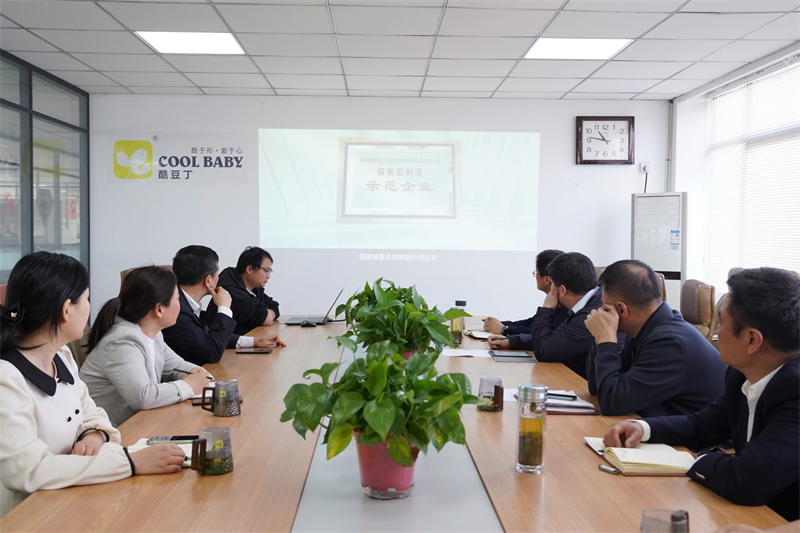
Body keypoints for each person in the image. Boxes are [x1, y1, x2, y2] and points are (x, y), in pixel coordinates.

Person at [603, 268, 799, 522]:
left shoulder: (794, 391)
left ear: (752, 340)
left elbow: (747, 481)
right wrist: (642, 428)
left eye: (722, 324)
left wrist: (697, 459)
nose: (716, 332)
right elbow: (702, 425)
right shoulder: (742, 373)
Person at [0, 252, 185, 518]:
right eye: (86, 299)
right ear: (67, 310)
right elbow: (28, 470)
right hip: (31, 515)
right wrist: (130, 462)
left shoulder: (61, 356)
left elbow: (93, 412)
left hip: (71, 497)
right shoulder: (7, 377)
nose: (90, 306)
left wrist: (93, 434)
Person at [585, 259, 727, 417]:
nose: (600, 312)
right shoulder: (645, 328)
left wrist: (605, 340)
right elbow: (597, 388)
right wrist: (600, 339)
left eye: (604, 307)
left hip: (697, 433)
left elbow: (612, 402)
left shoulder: (670, 344)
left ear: (622, 309)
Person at [80, 266, 212, 427]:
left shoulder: (153, 333)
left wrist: (199, 374)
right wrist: (188, 386)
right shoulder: (122, 341)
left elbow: (175, 367)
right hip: (109, 431)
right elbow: (143, 397)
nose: (181, 306)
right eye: (178, 299)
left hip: (141, 423)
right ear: (159, 309)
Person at [488, 252, 611, 378]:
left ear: (562, 290)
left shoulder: (591, 314)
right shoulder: (591, 302)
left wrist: (547, 307)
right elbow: (557, 338)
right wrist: (514, 341)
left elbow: (544, 351)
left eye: (552, 285)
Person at [162, 245, 285, 366]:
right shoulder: (177, 311)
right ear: (208, 280)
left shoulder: (184, 303)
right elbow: (212, 352)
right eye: (217, 274)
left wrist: (254, 341)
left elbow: (207, 336)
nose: (219, 279)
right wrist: (224, 308)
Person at [483, 249, 569, 336]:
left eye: (536, 273)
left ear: (547, 280)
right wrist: (498, 324)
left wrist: (503, 329)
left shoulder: (566, 307)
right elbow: (531, 323)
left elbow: (539, 333)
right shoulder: (556, 302)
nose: (535, 277)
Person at [207, 246, 280, 335]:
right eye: (266, 270)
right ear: (249, 269)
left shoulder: (253, 287)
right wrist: (269, 314)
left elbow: (274, 306)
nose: (268, 276)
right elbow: (266, 318)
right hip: (224, 342)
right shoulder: (230, 288)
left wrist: (270, 313)